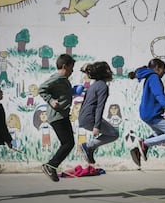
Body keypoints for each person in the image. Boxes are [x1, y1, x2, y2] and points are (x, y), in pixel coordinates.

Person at [128, 58, 165, 167]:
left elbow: (158, 96)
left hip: (147, 112)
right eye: (163, 69)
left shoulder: (149, 77)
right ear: (157, 68)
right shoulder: (154, 77)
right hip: (152, 113)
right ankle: (145, 144)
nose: (164, 72)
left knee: (160, 133)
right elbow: (158, 95)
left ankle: (140, 149)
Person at [38, 54, 76, 182]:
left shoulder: (63, 79)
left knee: (69, 142)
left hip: (62, 115)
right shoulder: (58, 77)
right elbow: (42, 89)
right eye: (71, 68)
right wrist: (50, 100)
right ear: (64, 66)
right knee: (68, 143)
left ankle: (51, 166)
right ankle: (50, 166)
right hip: (57, 115)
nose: (72, 71)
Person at [78, 61, 119, 164]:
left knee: (112, 133)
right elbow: (100, 107)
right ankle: (88, 146)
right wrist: (97, 126)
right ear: (103, 73)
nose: (111, 72)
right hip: (90, 118)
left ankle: (89, 149)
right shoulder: (103, 86)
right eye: (108, 70)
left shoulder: (94, 85)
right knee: (114, 134)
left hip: (84, 117)